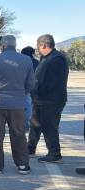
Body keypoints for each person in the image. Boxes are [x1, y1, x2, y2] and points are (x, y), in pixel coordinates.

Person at [0, 35, 35, 174]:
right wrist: (22, 94)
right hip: (17, 104)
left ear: (2, 46)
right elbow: (31, 83)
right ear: (14, 45)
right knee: (19, 134)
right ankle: (22, 165)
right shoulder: (26, 60)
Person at [27, 34, 69, 163]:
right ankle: (30, 148)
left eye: (38, 46)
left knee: (49, 126)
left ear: (44, 45)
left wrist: (38, 91)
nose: (37, 49)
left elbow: (53, 82)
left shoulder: (57, 59)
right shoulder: (46, 58)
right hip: (40, 99)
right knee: (35, 124)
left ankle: (54, 153)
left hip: (51, 100)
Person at [21, 46, 40, 131]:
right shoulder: (37, 62)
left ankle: (26, 124)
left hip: (25, 87)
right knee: (32, 106)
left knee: (26, 106)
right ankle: (33, 123)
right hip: (36, 87)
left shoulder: (22, 62)